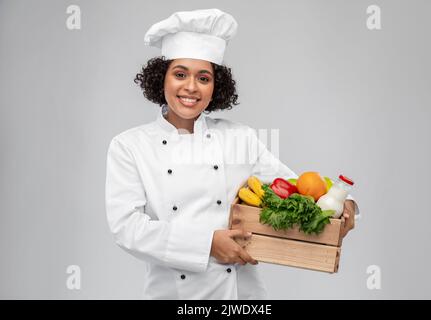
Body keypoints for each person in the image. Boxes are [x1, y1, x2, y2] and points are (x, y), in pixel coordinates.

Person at [105, 8, 359, 300]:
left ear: (216, 87)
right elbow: (128, 228)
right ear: (161, 78)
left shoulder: (239, 137)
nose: (191, 87)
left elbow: (294, 186)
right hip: (173, 295)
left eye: (203, 78)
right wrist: (208, 244)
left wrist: (345, 201)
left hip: (242, 295)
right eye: (180, 74)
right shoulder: (130, 146)